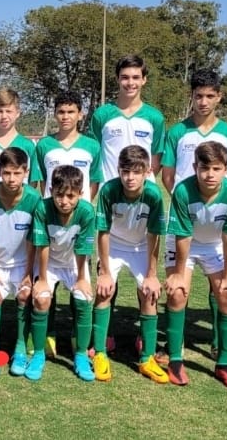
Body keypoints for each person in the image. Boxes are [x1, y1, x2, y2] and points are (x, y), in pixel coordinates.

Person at [160, 69, 227, 369]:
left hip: (217, 227)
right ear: (191, 97)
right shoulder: (177, 132)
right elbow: (168, 175)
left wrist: (213, 203)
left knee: (223, 289)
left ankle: (219, 345)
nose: (204, 101)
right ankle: (174, 347)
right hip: (185, 219)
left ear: (219, 97)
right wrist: (190, 201)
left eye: (210, 95)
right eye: (199, 95)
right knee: (177, 289)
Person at [88, 55, 165, 354]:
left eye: (136, 77)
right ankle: (102, 338)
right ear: (117, 79)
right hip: (110, 197)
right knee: (106, 273)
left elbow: (155, 160)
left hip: (140, 196)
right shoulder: (102, 115)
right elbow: (96, 155)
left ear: (144, 80)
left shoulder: (154, 117)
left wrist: (139, 184)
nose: (130, 83)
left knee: (146, 277)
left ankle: (145, 337)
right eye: (125, 77)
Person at [164, 141, 227, 390]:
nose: (209, 174)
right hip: (184, 243)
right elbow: (183, 235)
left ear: (226, 169)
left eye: (216, 168)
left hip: (215, 245)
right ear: (194, 167)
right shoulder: (182, 191)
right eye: (204, 168)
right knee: (178, 293)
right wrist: (179, 274)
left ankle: (224, 364)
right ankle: (175, 359)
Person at [92, 145, 168, 384]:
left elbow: (155, 235)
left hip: (141, 247)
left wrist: (152, 274)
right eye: (125, 171)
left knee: (149, 293)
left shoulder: (154, 195)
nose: (130, 177)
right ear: (118, 170)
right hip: (113, 244)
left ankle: (147, 358)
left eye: (136, 172)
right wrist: (104, 271)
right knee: (104, 291)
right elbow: (102, 232)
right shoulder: (109, 190)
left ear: (147, 171)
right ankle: (100, 353)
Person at [35, 89, 101, 358]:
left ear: (80, 114)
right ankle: (47, 335)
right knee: (46, 282)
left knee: (80, 282)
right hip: (51, 219)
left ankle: (78, 337)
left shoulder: (92, 146)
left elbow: (94, 182)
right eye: (61, 111)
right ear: (55, 114)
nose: (65, 116)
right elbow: (39, 182)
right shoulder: (44, 146)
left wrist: (79, 209)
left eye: (71, 111)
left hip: (77, 219)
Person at [25, 165, 95, 382]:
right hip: (49, 263)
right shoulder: (42, 208)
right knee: (42, 299)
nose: (64, 201)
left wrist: (82, 279)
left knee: (83, 299)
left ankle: (81, 355)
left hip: (74, 262)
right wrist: (43, 279)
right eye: (59, 195)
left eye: (70, 196)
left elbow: (83, 248)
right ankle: (38, 354)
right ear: (50, 191)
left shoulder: (86, 211)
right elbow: (41, 245)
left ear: (80, 194)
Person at [0, 147, 41, 376]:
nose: (11, 178)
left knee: (25, 295)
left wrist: (28, 273)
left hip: (23, 263)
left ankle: (20, 348)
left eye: (17, 173)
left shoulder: (34, 199)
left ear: (25, 172)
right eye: (7, 173)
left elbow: (34, 240)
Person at [0, 88, 41, 189]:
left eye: (9, 111)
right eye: (0, 111)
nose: (4, 116)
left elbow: (33, 182)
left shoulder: (28, 146)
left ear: (18, 113)